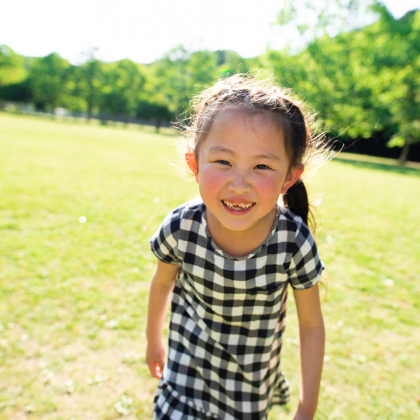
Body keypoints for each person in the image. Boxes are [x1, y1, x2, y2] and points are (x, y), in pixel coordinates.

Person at [146, 73, 329, 420]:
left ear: (289, 177)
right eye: (224, 162)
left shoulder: (293, 242)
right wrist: (153, 340)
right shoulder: (182, 226)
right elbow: (162, 283)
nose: (240, 184)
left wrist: (308, 404)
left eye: (262, 166)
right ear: (195, 165)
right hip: (184, 380)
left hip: (248, 394)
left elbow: (311, 326)